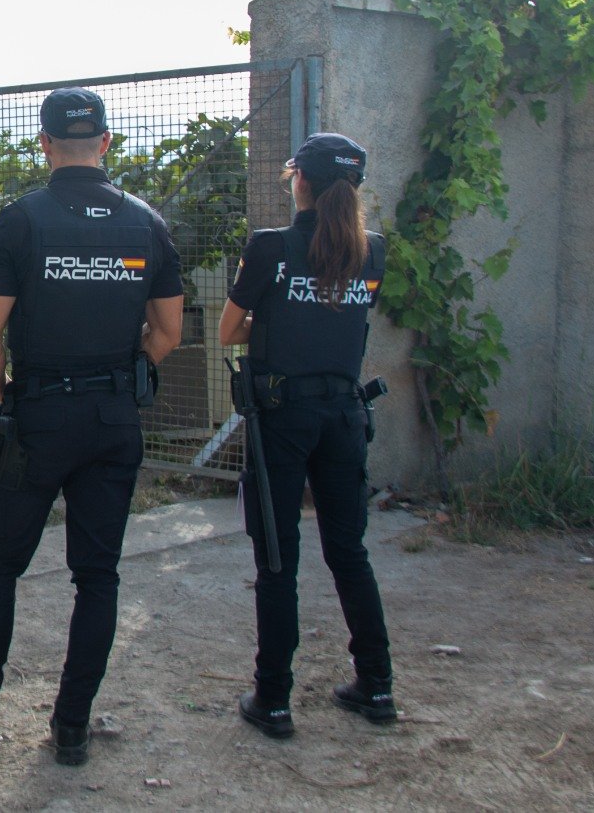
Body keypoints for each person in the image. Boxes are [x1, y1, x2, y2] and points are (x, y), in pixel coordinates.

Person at [0, 87, 185, 766]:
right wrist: (124, 373)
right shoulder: (146, 224)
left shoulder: (21, 222)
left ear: (43, 145)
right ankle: (71, 727)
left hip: (39, 416)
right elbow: (169, 330)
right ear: (107, 142)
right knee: (97, 576)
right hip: (112, 419)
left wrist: (9, 392)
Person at [218, 132, 395, 738]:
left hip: (283, 417)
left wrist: (277, 318)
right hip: (345, 418)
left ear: (302, 182)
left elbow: (227, 331)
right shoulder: (373, 252)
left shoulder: (271, 247)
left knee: (278, 558)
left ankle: (273, 700)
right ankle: (376, 685)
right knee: (350, 553)